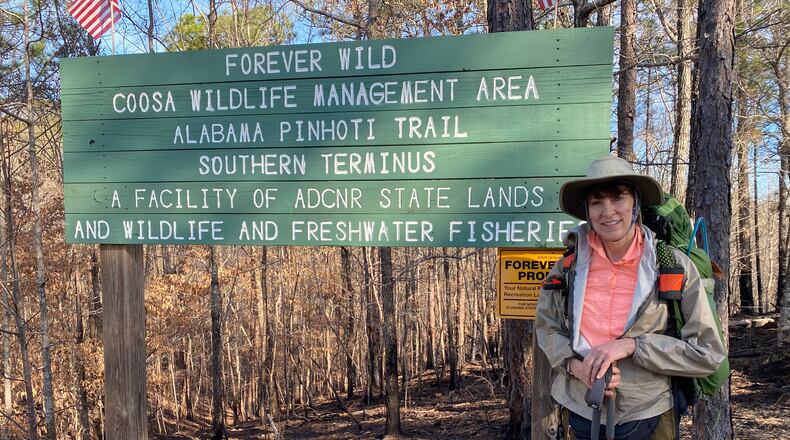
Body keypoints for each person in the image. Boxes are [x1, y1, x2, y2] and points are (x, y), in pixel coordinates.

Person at [535, 156, 726, 440]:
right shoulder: (568, 266)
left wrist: (632, 346)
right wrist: (575, 367)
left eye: (617, 198)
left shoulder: (671, 265)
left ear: (635, 203)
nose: (607, 211)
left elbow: (708, 353)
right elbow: (547, 328)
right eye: (597, 202)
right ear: (587, 209)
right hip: (579, 409)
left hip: (648, 412)